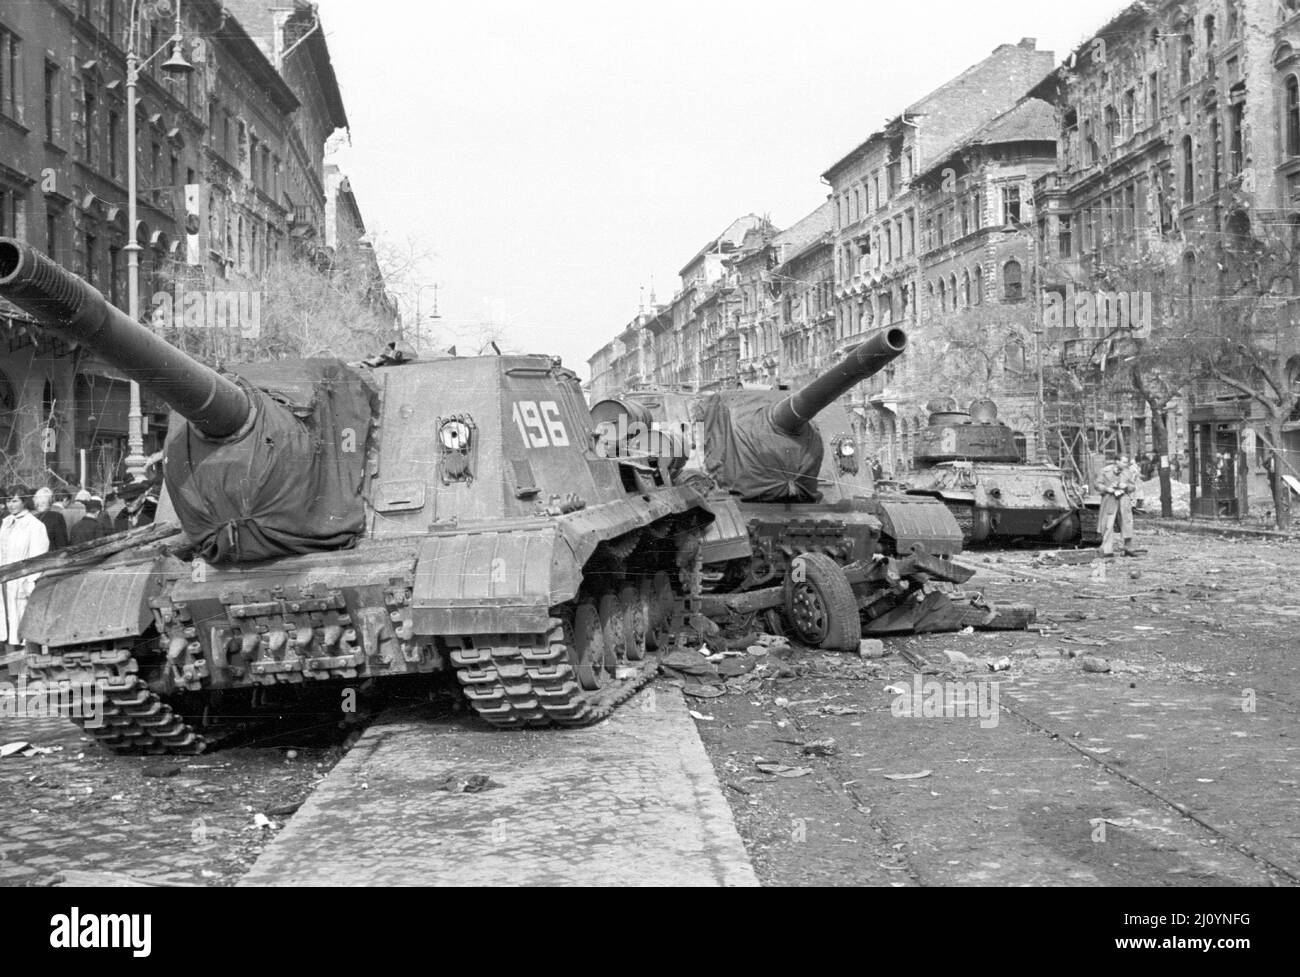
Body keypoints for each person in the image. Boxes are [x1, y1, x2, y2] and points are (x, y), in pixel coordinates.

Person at [0, 485, 50, 651]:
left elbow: (37, 560)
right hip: (5, 583)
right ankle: (13, 673)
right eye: (8, 501)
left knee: (22, 627)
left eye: (15, 501)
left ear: (24, 501)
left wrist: (29, 584)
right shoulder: (6, 523)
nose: (10, 505)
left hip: (22, 583)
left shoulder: (35, 526)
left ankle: (26, 673)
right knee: (6, 625)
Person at [1095, 455, 1138, 558]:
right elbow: (1097, 484)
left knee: (1127, 523)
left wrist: (1126, 486)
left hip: (1124, 500)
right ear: (1116, 461)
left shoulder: (1127, 472)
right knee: (1108, 524)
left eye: (1126, 462)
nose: (1126, 464)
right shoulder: (1105, 471)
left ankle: (1128, 547)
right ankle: (1107, 549)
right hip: (1110, 499)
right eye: (1124, 462)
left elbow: (1133, 487)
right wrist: (1106, 489)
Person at [31, 487, 69, 551]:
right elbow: (62, 543)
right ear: (50, 501)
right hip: (51, 556)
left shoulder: (31, 518)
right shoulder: (57, 517)